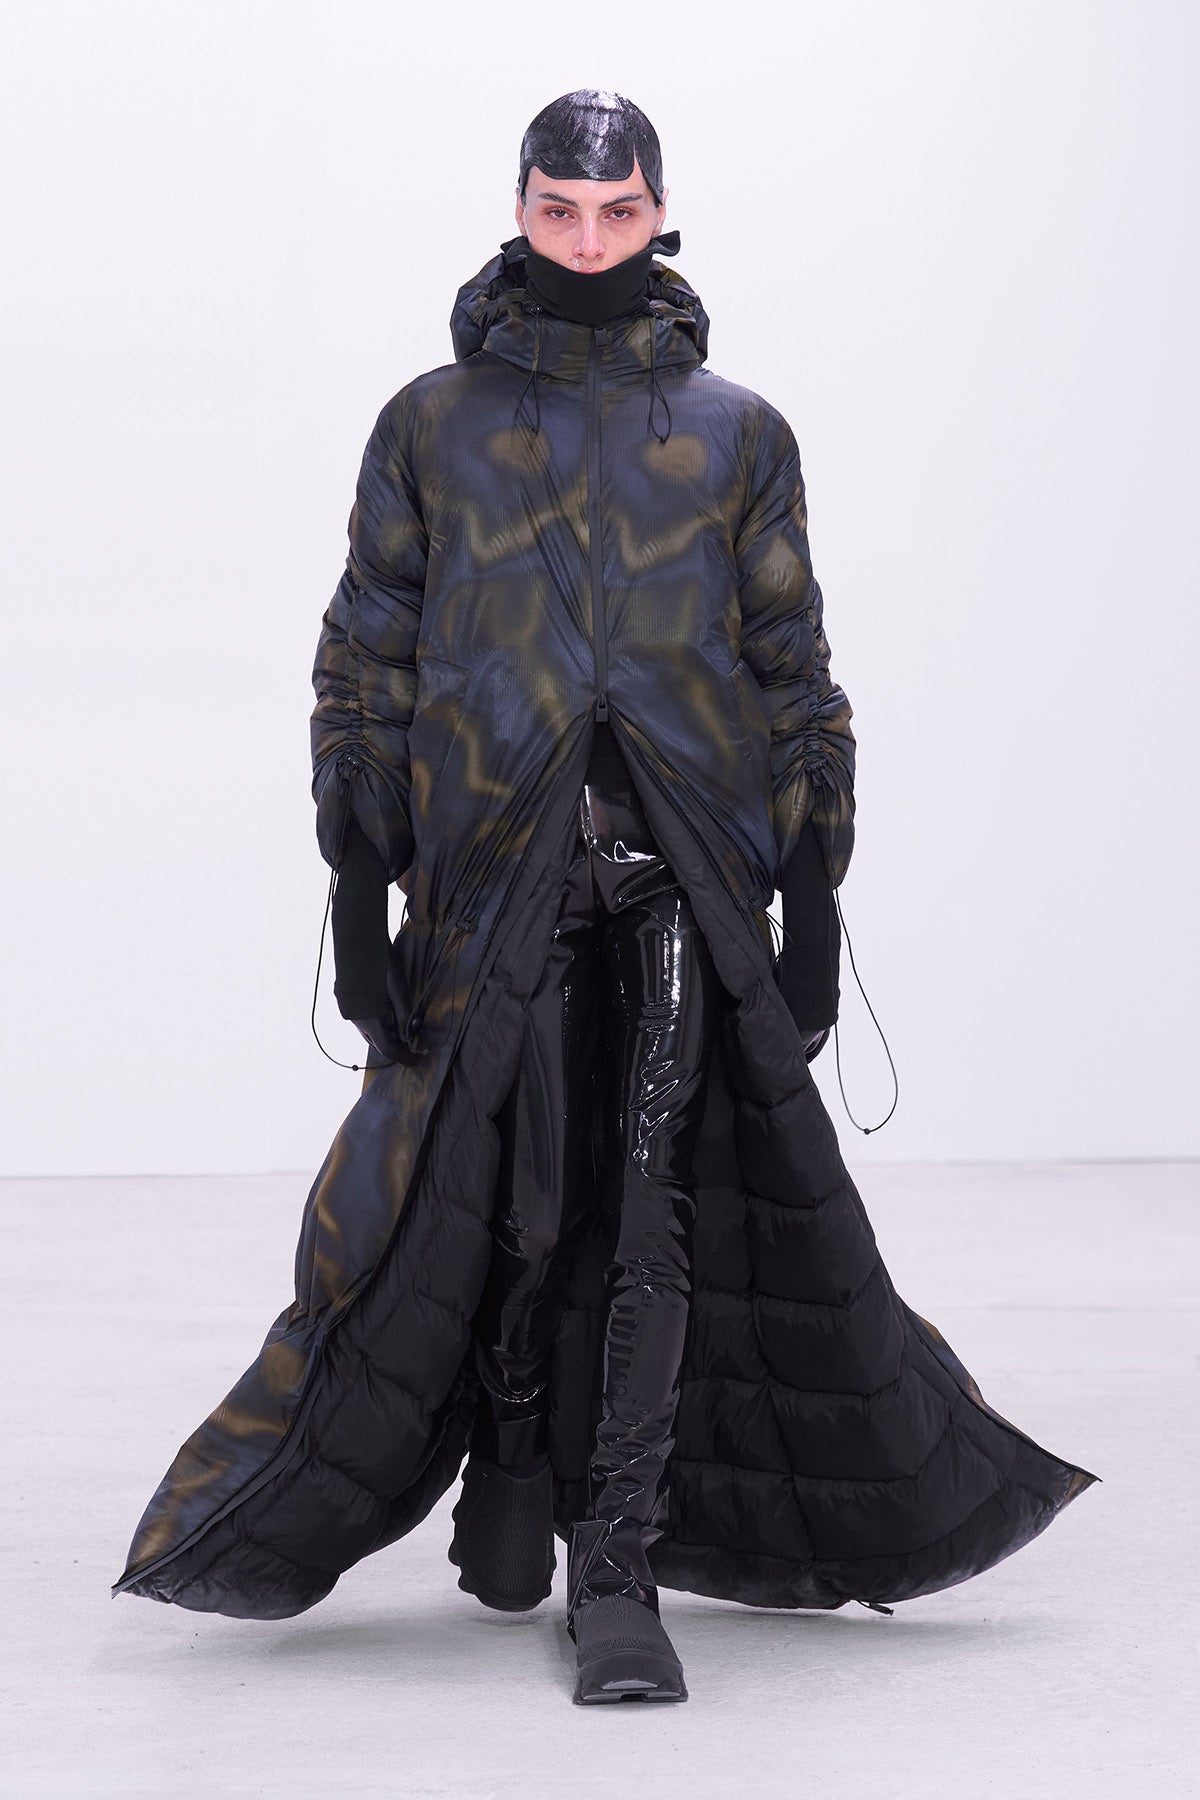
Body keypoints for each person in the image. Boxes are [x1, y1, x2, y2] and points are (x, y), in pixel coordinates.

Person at [112, 89, 1096, 1709]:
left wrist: (813, 902)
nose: (587, 242)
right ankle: (512, 1459)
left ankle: (617, 1567)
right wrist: (357, 883)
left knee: (651, 1210)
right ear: (520, 209)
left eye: (617, 212)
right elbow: (367, 654)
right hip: (491, 875)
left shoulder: (736, 433)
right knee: (513, 1199)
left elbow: (792, 669)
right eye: (560, 212)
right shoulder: (429, 425)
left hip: (679, 875)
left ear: (658, 214)